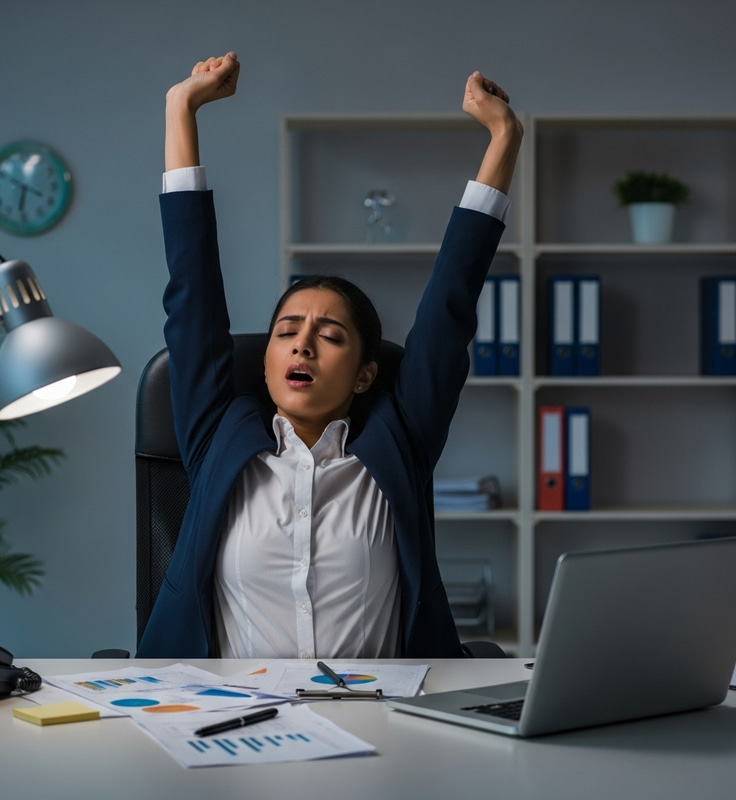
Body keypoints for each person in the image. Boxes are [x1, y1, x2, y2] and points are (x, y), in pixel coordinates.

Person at [136, 53, 522, 659]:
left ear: (367, 373)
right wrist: (179, 107)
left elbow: (451, 308)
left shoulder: (401, 441)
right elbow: (192, 296)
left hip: (381, 728)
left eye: (331, 335)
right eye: (287, 330)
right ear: (264, 360)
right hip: (233, 725)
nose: (303, 344)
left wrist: (504, 138)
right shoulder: (218, 433)